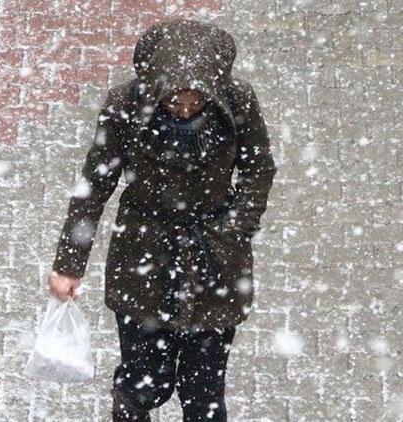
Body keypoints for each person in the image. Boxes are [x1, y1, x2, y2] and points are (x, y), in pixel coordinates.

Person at [46, 18, 277, 421]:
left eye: (195, 101)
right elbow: (95, 185)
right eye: (174, 101)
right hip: (143, 255)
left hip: (214, 262)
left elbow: (258, 169)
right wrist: (69, 265)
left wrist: (238, 225)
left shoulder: (237, 101)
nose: (185, 109)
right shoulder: (125, 104)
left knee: (203, 392)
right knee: (145, 382)